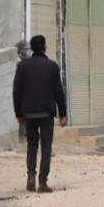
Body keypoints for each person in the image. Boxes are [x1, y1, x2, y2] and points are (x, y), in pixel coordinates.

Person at [13, 34, 67, 193]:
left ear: (32, 49)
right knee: (46, 148)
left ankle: (31, 175)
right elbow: (58, 91)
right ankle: (42, 182)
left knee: (32, 145)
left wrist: (18, 112)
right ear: (44, 48)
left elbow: (17, 91)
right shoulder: (52, 66)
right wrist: (63, 113)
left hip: (28, 113)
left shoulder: (22, 66)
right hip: (46, 113)